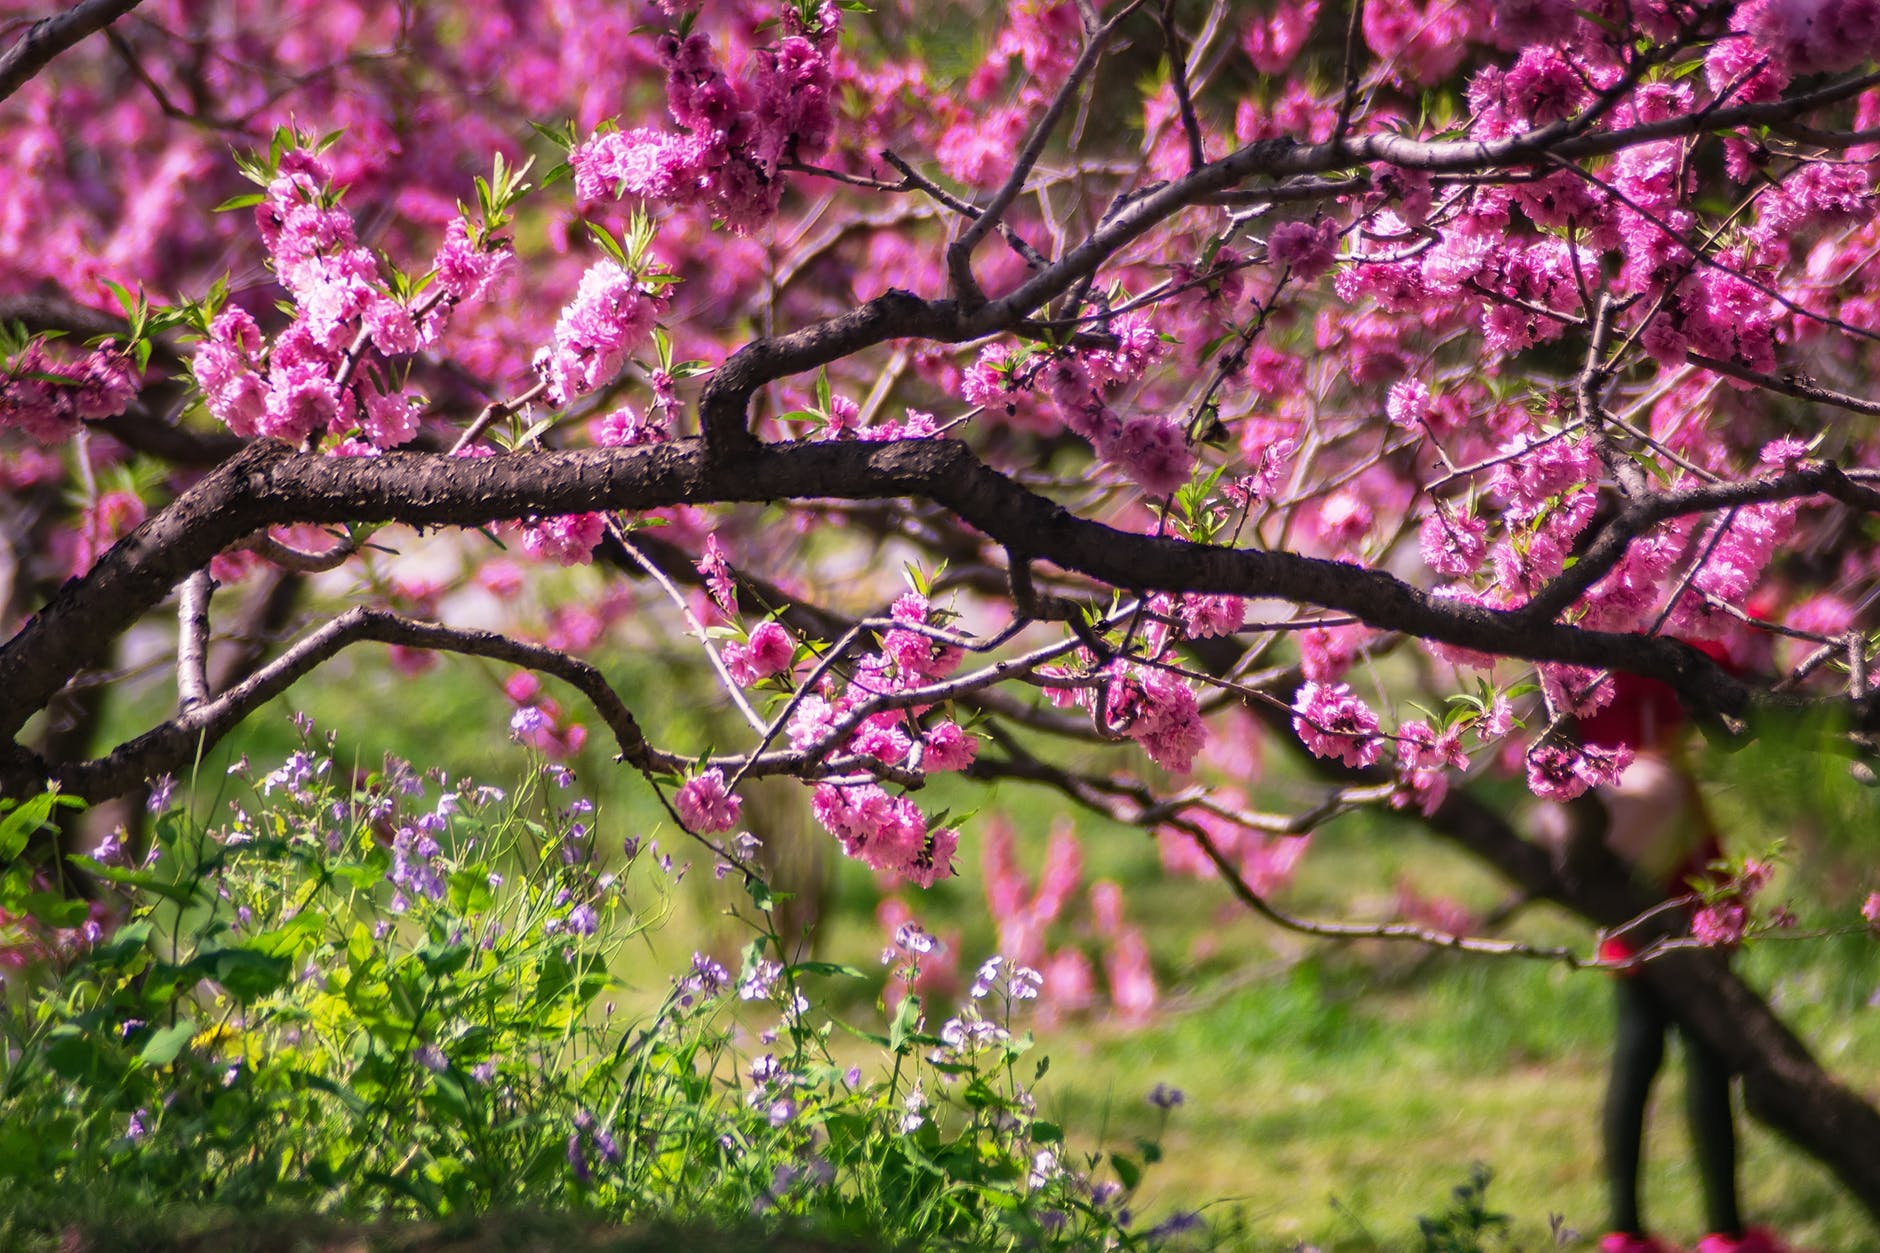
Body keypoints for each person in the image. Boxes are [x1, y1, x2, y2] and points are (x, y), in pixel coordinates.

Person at [1563, 667, 1794, 1253]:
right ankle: (1725, 1230)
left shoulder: (1566, 681)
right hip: (1679, 891)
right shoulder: (1641, 669)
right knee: (1705, 1063)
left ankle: (1627, 1230)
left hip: (1633, 898)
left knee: (1637, 1060)